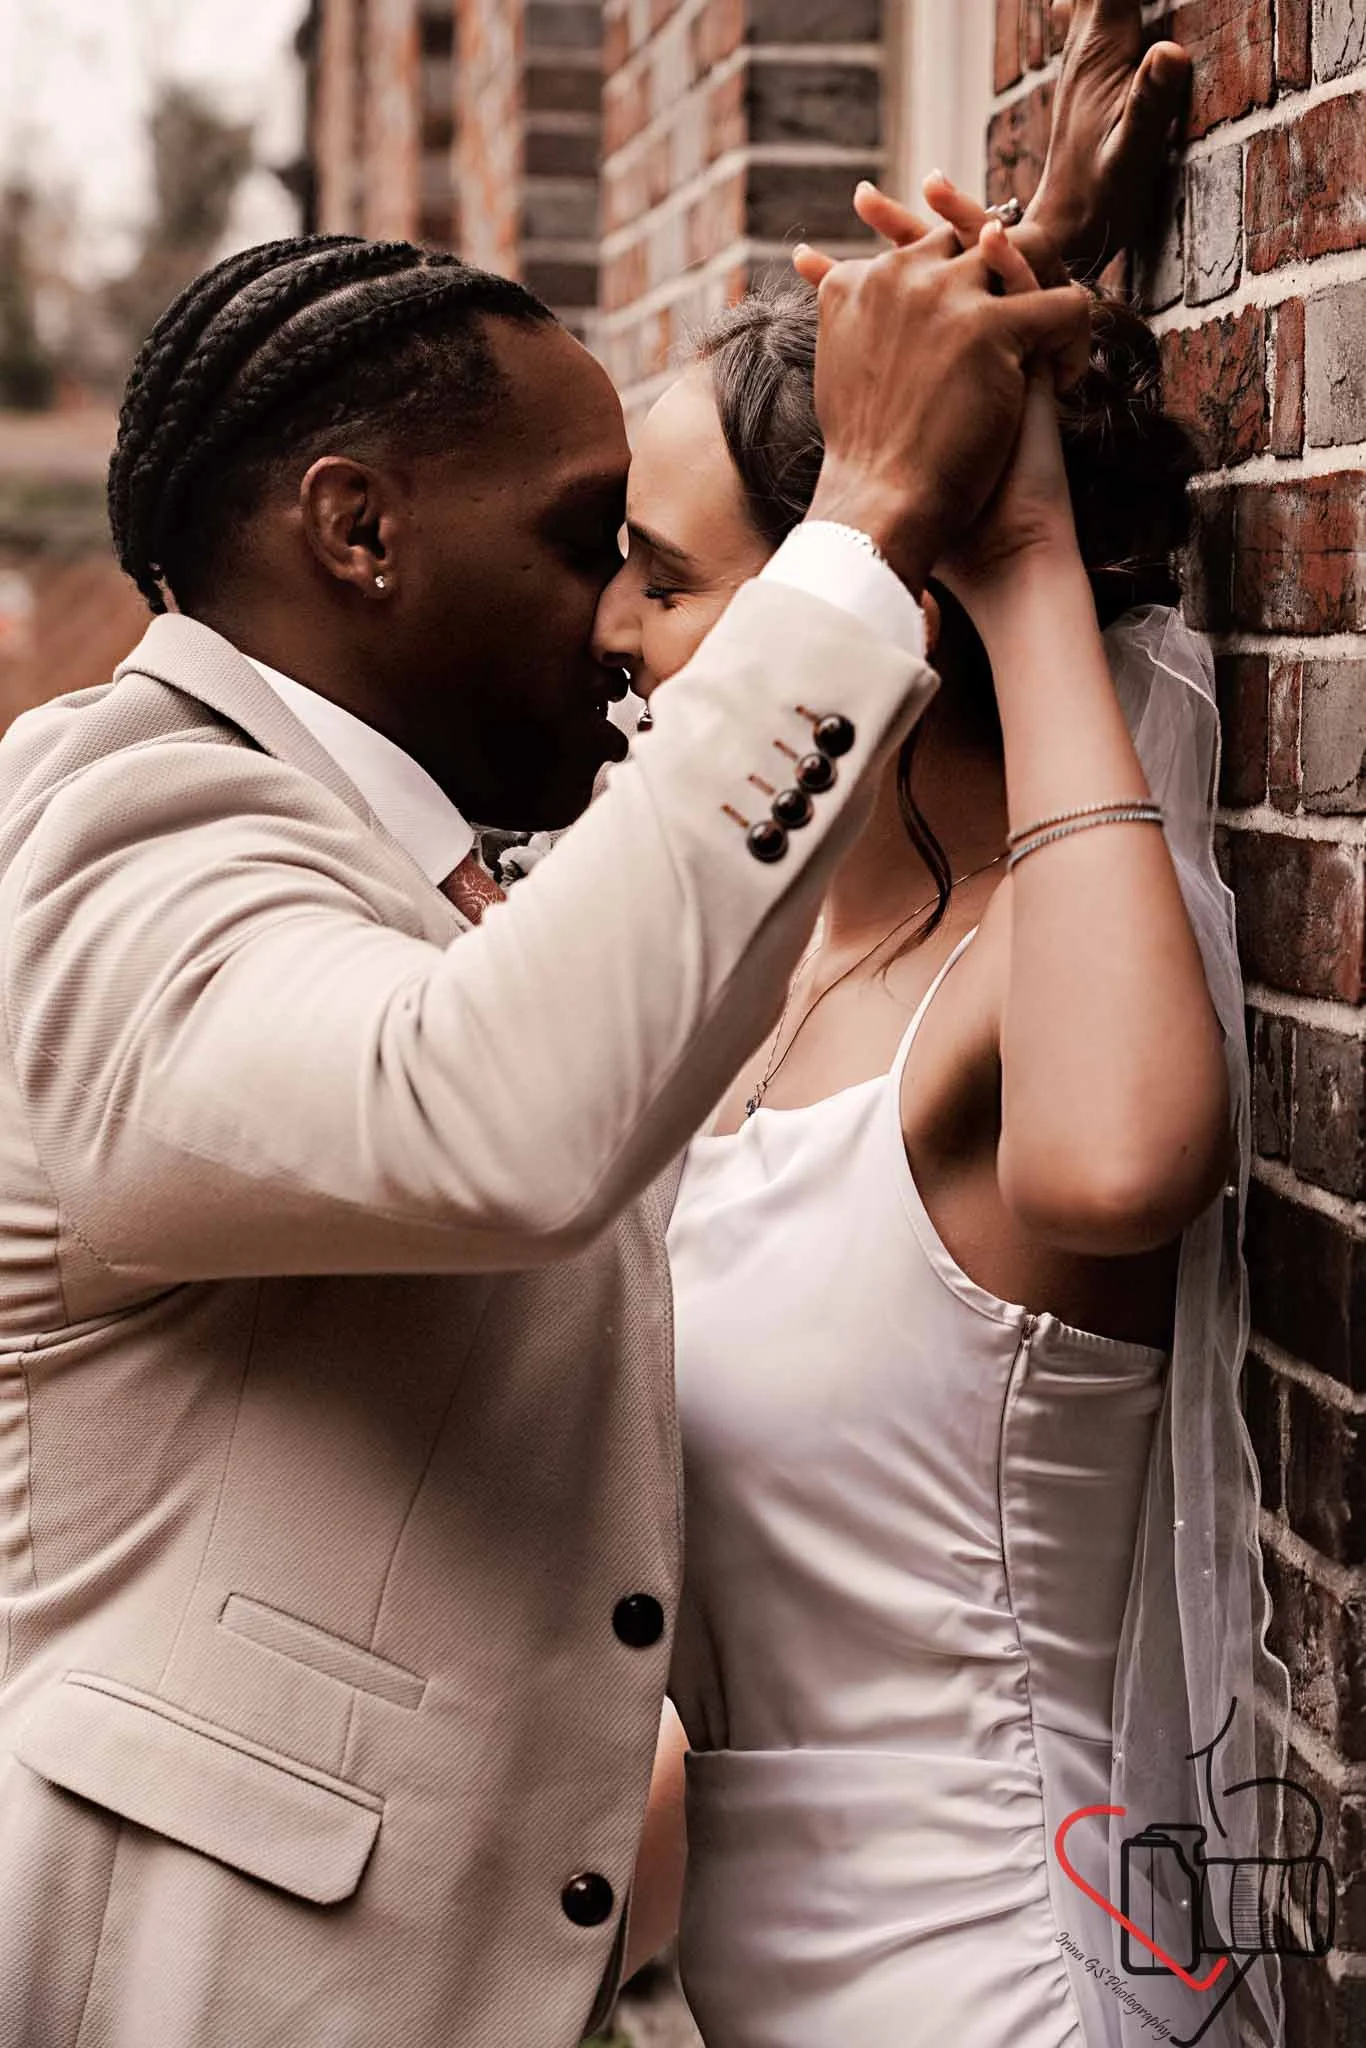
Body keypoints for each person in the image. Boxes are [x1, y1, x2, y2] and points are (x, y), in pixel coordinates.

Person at [0, 8, 1190, 2044]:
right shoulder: (123, 834)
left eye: (648, 564)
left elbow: (650, 935)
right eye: (581, 548)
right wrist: (873, 499)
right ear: (357, 532)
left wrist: (967, 351)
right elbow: (507, 1097)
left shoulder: (405, 859)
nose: (615, 624)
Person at [594, 195, 1285, 2048]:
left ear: (888, 583)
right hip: (744, 1980)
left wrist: (1031, 542)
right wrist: (1028, 258)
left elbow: (1122, 1160)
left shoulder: (1017, 984)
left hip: (993, 1970)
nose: (609, 631)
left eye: (660, 578)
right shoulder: (764, 975)